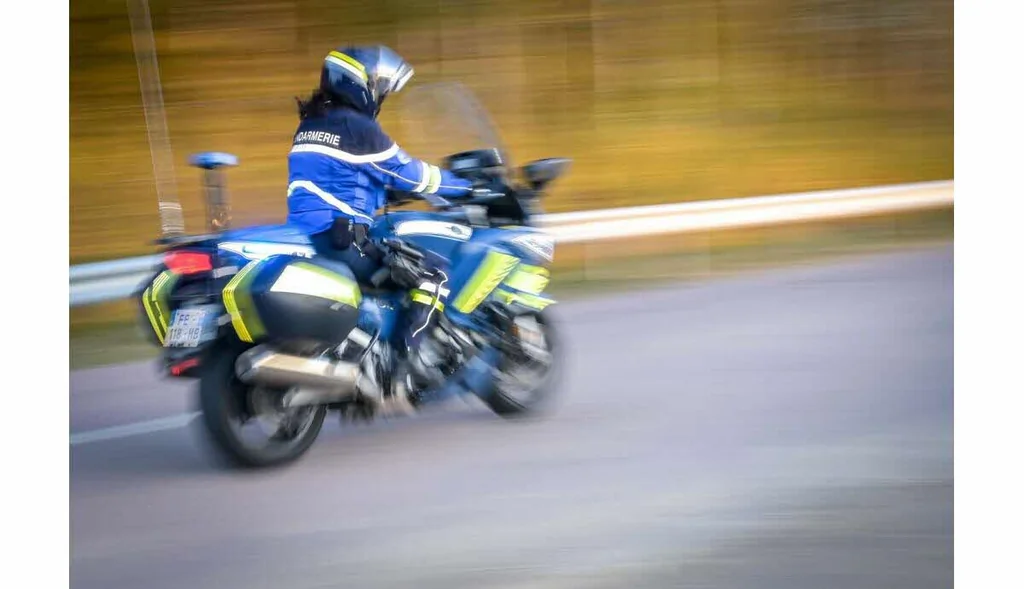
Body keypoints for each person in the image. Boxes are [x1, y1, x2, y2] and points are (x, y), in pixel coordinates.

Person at [286, 45, 476, 407]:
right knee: (433, 273)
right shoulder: (358, 128)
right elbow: (411, 173)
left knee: (394, 269)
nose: (381, 96)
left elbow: (341, 178)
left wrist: (383, 191)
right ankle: (403, 367)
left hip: (308, 238)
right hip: (342, 240)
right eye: (379, 87)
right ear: (360, 84)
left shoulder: (311, 125)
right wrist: (468, 187)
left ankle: (368, 349)